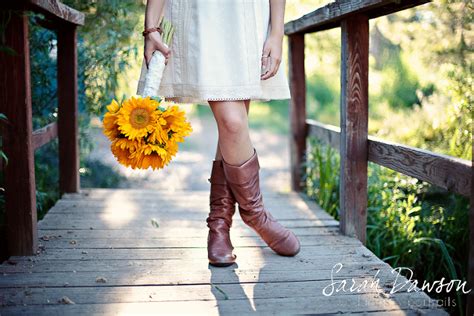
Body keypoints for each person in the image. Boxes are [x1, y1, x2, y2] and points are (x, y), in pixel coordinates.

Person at [140, 0, 300, 267]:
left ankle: (219, 226)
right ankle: (255, 214)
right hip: (199, 15)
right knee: (233, 122)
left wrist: (276, 32)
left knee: (233, 126)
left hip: (247, 15)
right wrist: (151, 28)